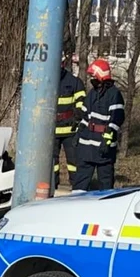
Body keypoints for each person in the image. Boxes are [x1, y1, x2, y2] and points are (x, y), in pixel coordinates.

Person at [73, 58, 125, 192]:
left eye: (93, 76)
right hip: (87, 144)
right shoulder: (92, 93)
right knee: (80, 181)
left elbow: (116, 119)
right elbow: (86, 116)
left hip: (103, 147)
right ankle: (75, 205)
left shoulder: (114, 94)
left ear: (101, 75)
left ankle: (104, 208)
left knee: (105, 183)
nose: (91, 79)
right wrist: (79, 132)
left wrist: (107, 140)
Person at [53, 53, 86, 190]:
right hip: (51, 129)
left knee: (73, 161)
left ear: (63, 63)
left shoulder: (74, 82)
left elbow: (81, 103)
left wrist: (77, 117)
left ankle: (77, 188)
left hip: (69, 129)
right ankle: (52, 185)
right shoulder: (46, 81)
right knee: (51, 161)